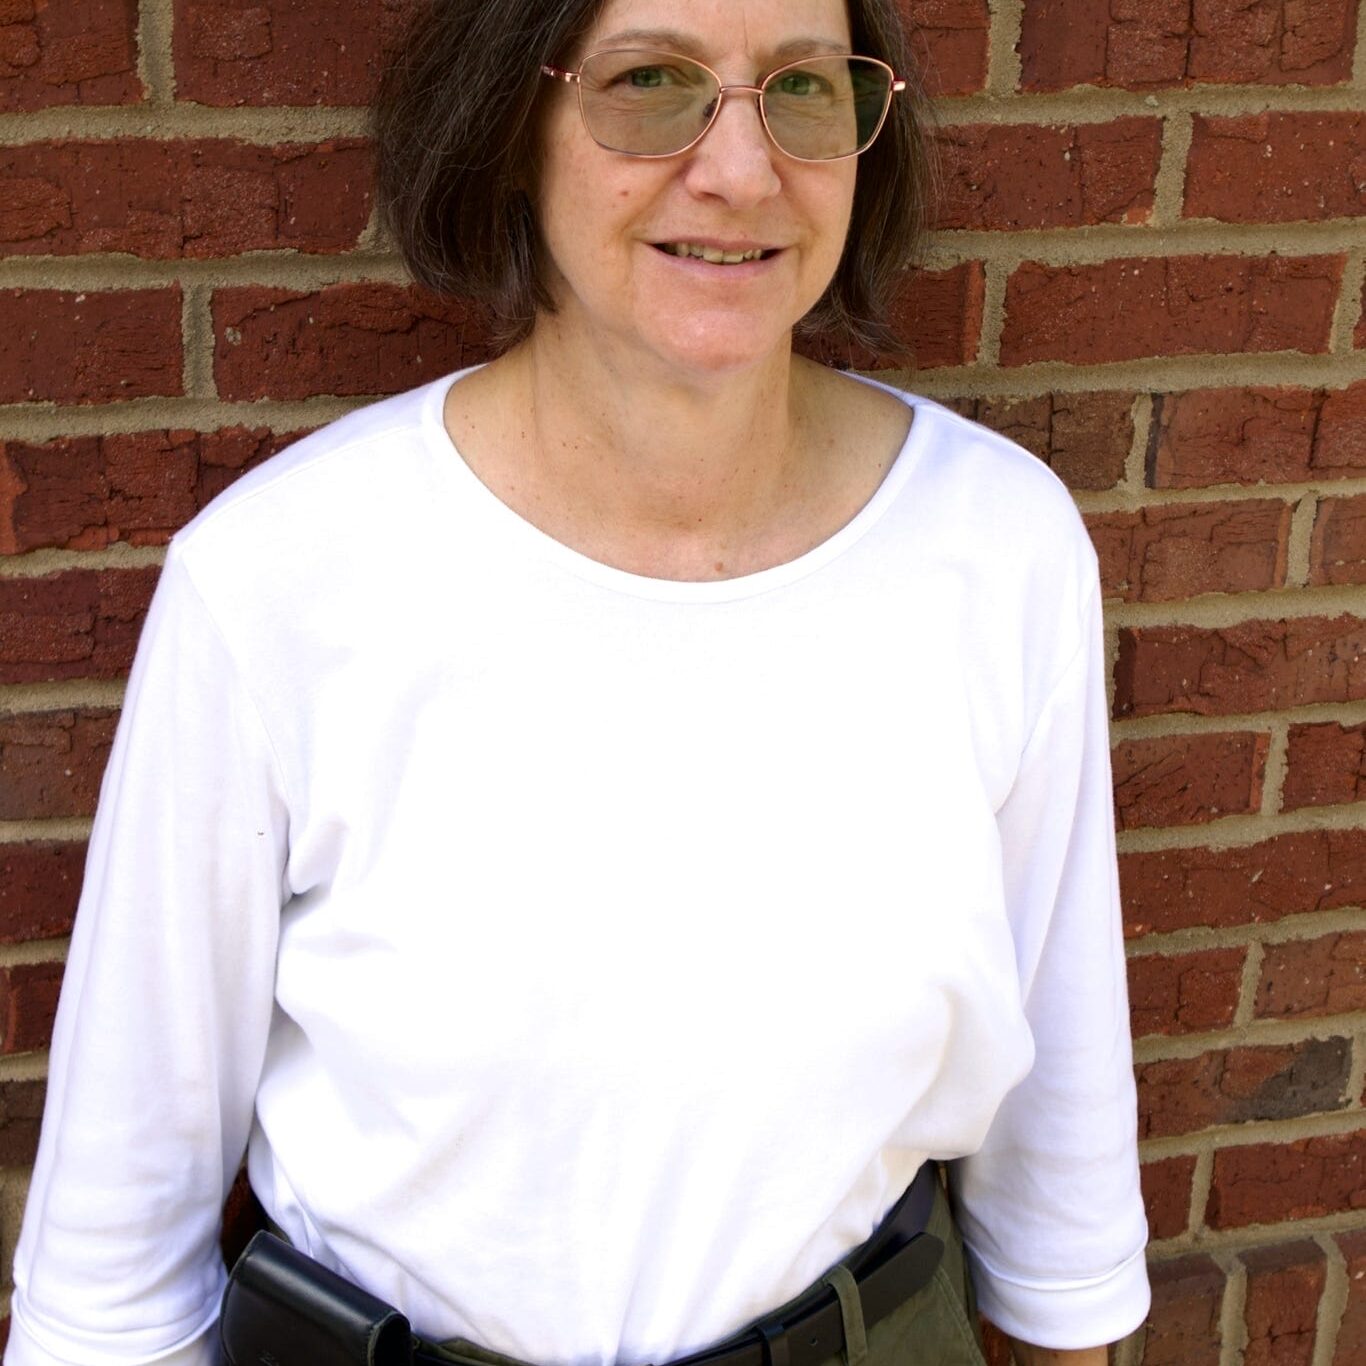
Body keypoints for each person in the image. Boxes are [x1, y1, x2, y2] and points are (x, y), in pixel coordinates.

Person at [5, 1, 1151, 1364]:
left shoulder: (994, 545)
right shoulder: (282, 583)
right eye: (650, 82)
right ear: (512, 125)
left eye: (803, 87)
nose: (738, 168)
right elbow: (112, 1270)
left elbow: (1060, 1166)